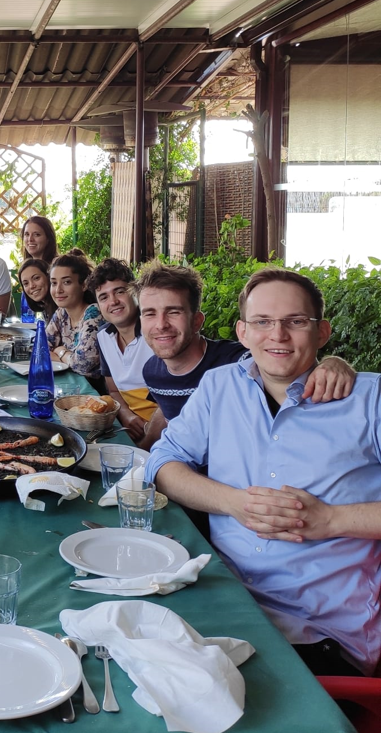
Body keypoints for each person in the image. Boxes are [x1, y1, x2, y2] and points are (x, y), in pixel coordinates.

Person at [145, 268, 381, 677]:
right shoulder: (220, 387)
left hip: (320, 632)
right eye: (263, 322)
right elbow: (161, 462)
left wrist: (332, 520)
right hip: (220, 599)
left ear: (322, 332)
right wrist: (232, 503)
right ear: (243, 332)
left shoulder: (367, 399)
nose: (278, 335)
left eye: (295, 322)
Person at [135, 261, 355, 440]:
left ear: (196, 321)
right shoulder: (152, 372)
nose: (161, 324)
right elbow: (167, 414)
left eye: (173, 312)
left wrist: (333, 363)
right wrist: (143, 448)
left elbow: (285, 363)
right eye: (150, 313)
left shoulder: (238, 364)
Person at [88, 258, 159, 447]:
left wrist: (147, 437)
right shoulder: (103, 336)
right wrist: (126, 416)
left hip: (162, 433)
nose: (113, 302)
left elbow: (175, 402)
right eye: (103, 297)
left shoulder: (156, 333)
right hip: (128, 428)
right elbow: (112, 390)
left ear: (135, 292)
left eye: (120, 291)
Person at [46, 250, 105, 390]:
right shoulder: (62, 313)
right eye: (54, 283)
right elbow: (39, 350)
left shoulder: (93, 313)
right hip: (67, 386)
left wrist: (60, 351)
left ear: (84, 285)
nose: (58, 290)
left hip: (93, 392)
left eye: (66, 282)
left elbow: (82, 364)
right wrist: (69, 357)